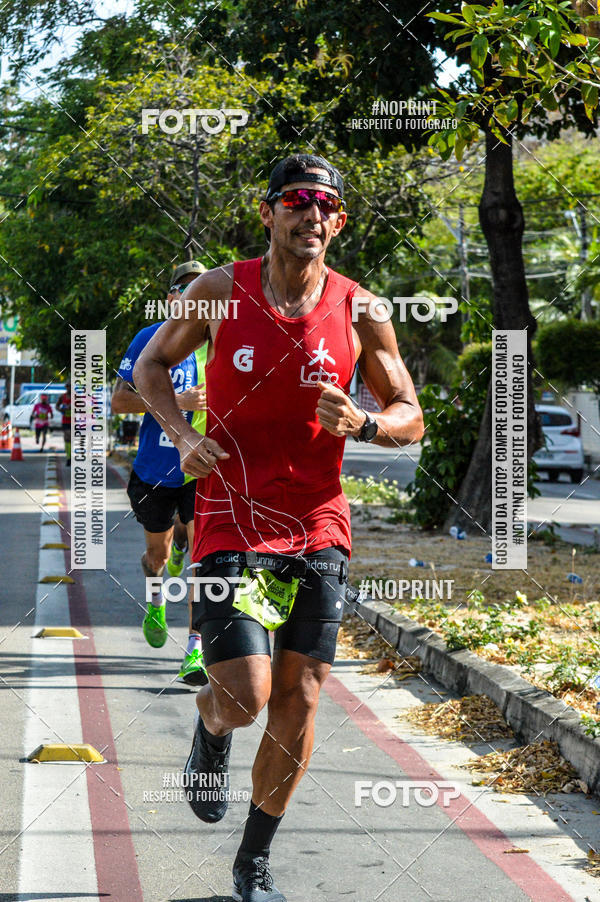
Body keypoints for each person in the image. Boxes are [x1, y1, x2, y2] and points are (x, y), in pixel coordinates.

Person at [133, 153, 424, 902]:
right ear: (268, 213)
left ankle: (252, 863)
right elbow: (151, 368)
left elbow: (410, 415)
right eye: (296, 200)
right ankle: (211, 727)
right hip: (230, 515)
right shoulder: (219, 290)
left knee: (301, 697)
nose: (311, 214)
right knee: (246, 694)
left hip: (317, 521)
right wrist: (182, 436)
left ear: (339, 222)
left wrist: (366, 422)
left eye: (325, 204)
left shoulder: (362, 309)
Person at [112, 260, 209, 685]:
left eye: (202, 289)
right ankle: (156, 601)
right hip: (155, 470)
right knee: (159, 556)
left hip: (203, 472)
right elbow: (120, 402)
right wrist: (176, 402)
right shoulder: (149, 340)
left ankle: (195, 649)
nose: (195, 297)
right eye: (185, 290)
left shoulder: (221, 343)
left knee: (203, 563)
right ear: (171, 299)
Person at [55, 382, 72, 466]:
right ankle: (68, 457)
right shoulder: (62, 396)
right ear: (66, 387)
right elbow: (56, 406)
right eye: (67, 387)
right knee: (67, 437)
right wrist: (61, 410)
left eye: (70, 387)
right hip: (65, 421)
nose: (69, 388)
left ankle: (70, 456)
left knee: (70, 438)